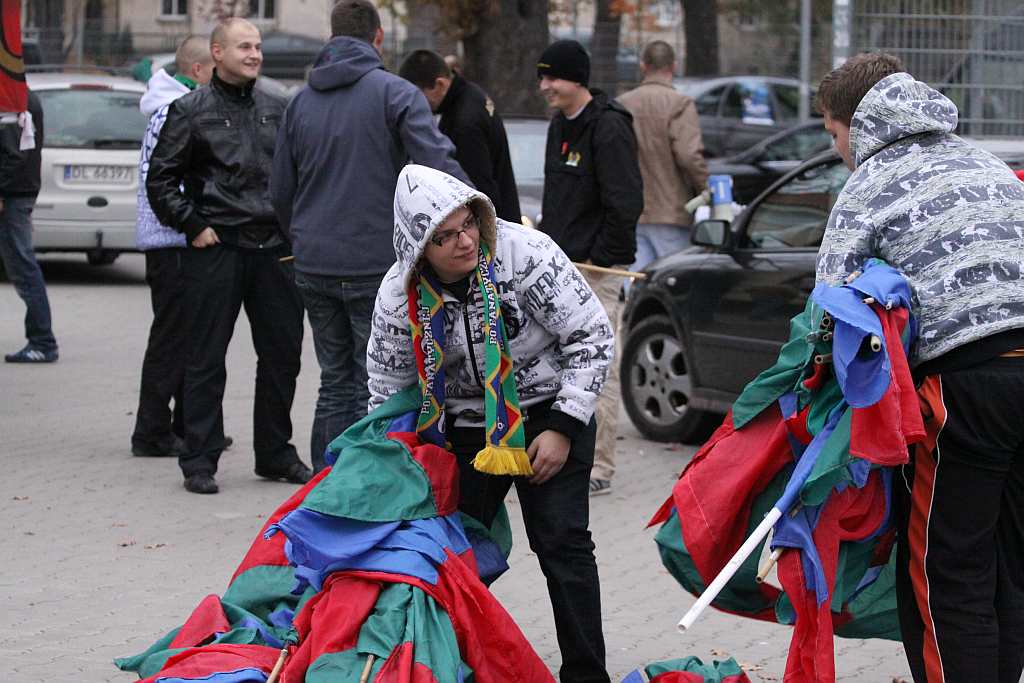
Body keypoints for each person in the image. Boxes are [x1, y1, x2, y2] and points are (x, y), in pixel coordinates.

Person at [814, 52, 1024, 683]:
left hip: (964, 388)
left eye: (831, 135)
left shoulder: (872, 181)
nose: (837, 151)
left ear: (855, 122)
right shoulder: (985, 163)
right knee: (1007, 566)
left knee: (945, 571)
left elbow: (830, 302)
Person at [368, 164, 614, 683]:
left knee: (562, 545)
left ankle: (587, 675)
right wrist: (393, 462)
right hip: (463, 427)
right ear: (419, 251)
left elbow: (592, 336)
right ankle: (444, 666)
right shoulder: (399, 294)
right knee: (453, 555)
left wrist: (564, 427)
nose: (464, 242)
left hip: (549, 409)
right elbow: (387, 386)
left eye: (468, 226)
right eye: (445, 237)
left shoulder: (527, 254)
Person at [270, 0, 466, 473]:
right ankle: (365, 491)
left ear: (331, 37)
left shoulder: (299, 102)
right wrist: (481, 214)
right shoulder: (396, 95)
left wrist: (300, 238)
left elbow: (280, 190)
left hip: (313, 262)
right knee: (378, 383)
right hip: (375, 266)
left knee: (335, 380)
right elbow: (437, 172)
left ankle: (325, 484)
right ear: (378, 38)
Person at [147, 18, 310, 494]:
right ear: (216, 53)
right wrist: (193, 225)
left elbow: (301, 174)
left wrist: (295, 230)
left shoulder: (281, 106)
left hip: (275, 251)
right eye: (244, 46)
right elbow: (160, 179)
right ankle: (199, 458)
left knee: (283, 355)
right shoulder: (190, 110)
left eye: (257, 46)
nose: (255, 54)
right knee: (205, 358)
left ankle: (276, 453)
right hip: (217, 248)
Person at [536, 39, 643, 497]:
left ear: (577, 79)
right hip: (561, 266)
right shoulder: (560, 123)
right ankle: (563, 450)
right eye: (541, 77)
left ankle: (598, 465)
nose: (545, 87)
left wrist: (600, 261)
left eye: (552, 77)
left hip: (598, 271)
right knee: (557, 365)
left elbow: (625, 203)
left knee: (598, 363)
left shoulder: (609, 128)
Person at [130, 35, 214, 459]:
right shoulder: (176, 112)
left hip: (172, 238)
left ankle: (185, 424)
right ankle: (151, 431)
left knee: (185, 336)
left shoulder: (167, 107)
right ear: (198, 71)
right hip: (173, 238)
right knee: (172, 339)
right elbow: (170, 180)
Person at [398, 49, 521, 222]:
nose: (415, 104)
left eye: (418, 96)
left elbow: (478, 189)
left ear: (439, 84)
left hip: (491, 229)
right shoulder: (472, 94)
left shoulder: (464, 123)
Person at [617, 40, 707, 273]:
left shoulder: (622, 104)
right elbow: (688, 155)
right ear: (673, 66)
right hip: (672, 210)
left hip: (632, 211)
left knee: (638, 283)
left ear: (642, 66)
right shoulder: (680, 104)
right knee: (671, 280)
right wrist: (706, 188)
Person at [0, 88, 58, 364]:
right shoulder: (21, 96)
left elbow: (15, 154)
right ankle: (41, 339)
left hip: (12, 197)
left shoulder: (13, 98)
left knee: (22, 266)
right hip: (18, 194)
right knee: (21, 265)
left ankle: (42, 341)